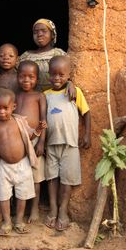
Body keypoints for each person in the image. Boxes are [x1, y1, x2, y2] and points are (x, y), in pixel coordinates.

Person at [0, 88, 47, 235]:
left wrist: (38, 129)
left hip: (22, 164)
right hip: (4, 166)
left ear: (13, 107)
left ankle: (19, 221)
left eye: (5, 108)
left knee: (22, 195)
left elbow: (30, 136)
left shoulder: (19, 121)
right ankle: (7, 222)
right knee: (4, 195)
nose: (1, 112)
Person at [44, 55, 91, 231]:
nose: (57, 78)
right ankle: (53, 207)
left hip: (70, 144)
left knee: (67, 179)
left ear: (68, 75)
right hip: (51, 145)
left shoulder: (74, 92)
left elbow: (86, 113)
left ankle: (63, 209)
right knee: (51, 178)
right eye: (54, 74)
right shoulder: (45, 95)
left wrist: (87, 134)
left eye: (62, 75)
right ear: (48, 74)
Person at [15, 60, 47, 223]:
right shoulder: (15, 95)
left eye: (31, 77)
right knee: (19, 175)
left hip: (35, 142)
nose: (26, 80)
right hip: (18, 143)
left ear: (37, 79)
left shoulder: (39, 96)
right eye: (22, 76)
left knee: (36, 177)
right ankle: (21, 208)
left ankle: (34, 208)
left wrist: (41, 142)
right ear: (17, 77)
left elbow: (43, 120)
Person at [19, 18, 74, 94]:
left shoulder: (59, 54)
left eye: (44, 31)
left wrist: (70, 83)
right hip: (33, 99)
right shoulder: (26, 56)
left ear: (52, 34)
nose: (39, 34)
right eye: (35, 32)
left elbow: (69, 74)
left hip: (56, 97)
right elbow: (12, 72)